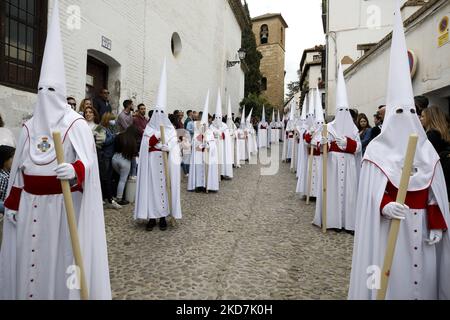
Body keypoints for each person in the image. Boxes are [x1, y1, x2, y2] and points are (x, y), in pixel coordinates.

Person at [0, 0, 111, 299]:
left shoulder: (75, 125)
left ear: (61, 93)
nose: (45, 97)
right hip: (29, 209)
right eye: (41, 91)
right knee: (28, 267)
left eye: (51, 91)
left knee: (59, 267)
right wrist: (12, 204)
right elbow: (19, 173)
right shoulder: (27, 127)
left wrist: (74, 170)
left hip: (63, 212)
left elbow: (90, 167)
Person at [349, 3, 450, 299]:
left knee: (425, 279)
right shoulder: (375, 154)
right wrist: (384, 205)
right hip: (391, 229)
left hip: (423, 227)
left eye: (412, 111)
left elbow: (436, 195)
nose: (407, 117)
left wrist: (437, 222)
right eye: (400, 111)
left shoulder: (428, 152)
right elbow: (370, 193)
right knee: (396, 283)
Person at [314, 64, 362, 233]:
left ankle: (349, 223)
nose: (343, 112)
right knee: (332, 194)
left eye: (345, 110)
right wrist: (324, 142)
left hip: (348, 166)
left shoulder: (354, 129)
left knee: (349, 195)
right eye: (340, 109)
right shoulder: (329, 127)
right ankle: (332, 220)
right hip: (332, 166)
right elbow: (319, 145)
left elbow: (358, 147)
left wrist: (346, 143)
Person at [134, 61, 182, 231]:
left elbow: (175, 147)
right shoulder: (149, 129)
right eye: (158, 113)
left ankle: (163, 217)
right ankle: (151, 218)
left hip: (165, 163)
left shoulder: (170, 130)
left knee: (164, 188)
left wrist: (169, 148)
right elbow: (145, 145)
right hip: (151, 165)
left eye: (163, 113)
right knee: (152, 189)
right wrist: (153, 141)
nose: (160, 116)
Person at [188, 92, 220, 193]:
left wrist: (208, 144)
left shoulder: (210, 131)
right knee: (198, 167)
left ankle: (208, 185)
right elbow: (195, 141)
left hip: (207, 154)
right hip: (198, 154)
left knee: (207, 168)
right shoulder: (197, 130)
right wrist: (200, 144)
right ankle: (199, 185)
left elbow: (213, 143)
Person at [421, 106, 450, 199]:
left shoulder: (432, 135)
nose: (420, 119)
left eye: (422, 116)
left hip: (437, 174)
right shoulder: (444, 133)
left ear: (430, 118)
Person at [98, 112, 120, 210]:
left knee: (109, 177)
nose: (113, 121)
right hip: (104, 156)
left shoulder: (109, 128)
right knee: (105, 177)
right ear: (107, 119)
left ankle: (108, 197)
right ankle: (107, 198)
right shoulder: (99, 128)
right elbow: (103, 142)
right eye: (112, 119)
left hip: (111, 155)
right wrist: (114, 136)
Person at [112, 125, 139, 206]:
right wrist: (133, 173)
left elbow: (114, 146)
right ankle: (119, 198)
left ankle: (114, 194)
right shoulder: (133, 141)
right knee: (122, 180)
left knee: (116, 178)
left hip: (114, 158)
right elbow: (134, 157)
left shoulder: (119, 136)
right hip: (125, 161)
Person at [210, 90, 233, 180]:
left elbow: (226, 136)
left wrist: (221, 133)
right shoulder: (212, 125)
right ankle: (215, 172)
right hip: (214, 145)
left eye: (219, 117)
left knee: (222, 158)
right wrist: (214, 133)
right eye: (216, 117)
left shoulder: (224, 126)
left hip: (222, 146)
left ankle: (223, 172)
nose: (218, 119)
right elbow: (209, 134)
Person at [0, 146, 15, 215]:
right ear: (4, 159)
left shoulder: (9, 174)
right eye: (12, 157)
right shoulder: (3, 178)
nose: (15, 160)